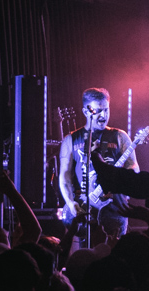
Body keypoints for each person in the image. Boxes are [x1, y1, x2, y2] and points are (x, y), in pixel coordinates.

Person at [58, 87, 139, 242]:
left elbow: (133, 168)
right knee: (84, 259)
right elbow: (64, 177)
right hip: (84, 211)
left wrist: (125, 179)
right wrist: (70, 203)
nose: (103, 115)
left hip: (114, 210)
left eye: (106, 110)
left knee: (116, 258)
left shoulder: (120, 136)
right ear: (86, 111)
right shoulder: (71, 140)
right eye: (98, 111)